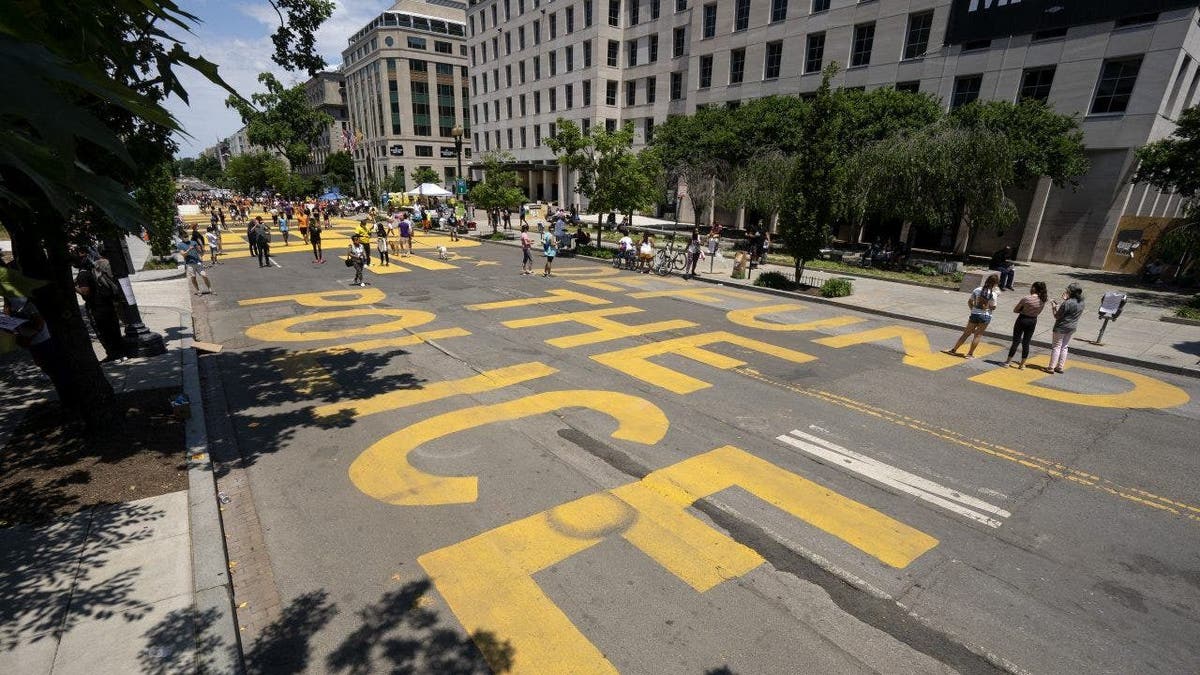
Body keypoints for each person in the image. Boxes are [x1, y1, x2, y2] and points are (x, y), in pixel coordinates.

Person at [73, 251, 126, 361]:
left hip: (96, 307)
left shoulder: (82, 275)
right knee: (113, 328)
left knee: (103, 331)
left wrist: (74, 288)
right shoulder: (93, 270)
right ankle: (120, 352)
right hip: (106, 303)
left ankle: (113, 354)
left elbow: (85, 292)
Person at [948, 273, 1000, 358]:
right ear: (995, 284)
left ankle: (954, 350)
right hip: (985, 316)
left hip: (975, 314)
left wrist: (973, 309)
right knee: (978, 335)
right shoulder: (993, 294)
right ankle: (970, 354)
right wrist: (987, 306)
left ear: (986, 280)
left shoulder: (977, 290)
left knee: (966, 334)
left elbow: (970, 302)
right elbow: (993, 307)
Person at [1003, 281, 1048, 369]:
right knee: (1026, 342)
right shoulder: (1043, 300)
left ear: (1034, 288)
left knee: (1016, 341)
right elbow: (1039, 312)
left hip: (1022, 319)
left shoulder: (1026, 298)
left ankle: (1008, 362)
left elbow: (1015, 310)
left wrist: (1022, 310)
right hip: (1033, 320)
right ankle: (1022, 364)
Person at [1047, 282, 1085, 374]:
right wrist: (1066, 300)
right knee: (1064, 347)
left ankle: (1051, 367)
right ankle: (1060, 367)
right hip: (1072, 327)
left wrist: (1054, 307)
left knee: (1056, 346)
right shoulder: (1082, 302)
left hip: (1061, 327)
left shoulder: (1067, 303)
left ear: (1070, 292)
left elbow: (1057, 316)